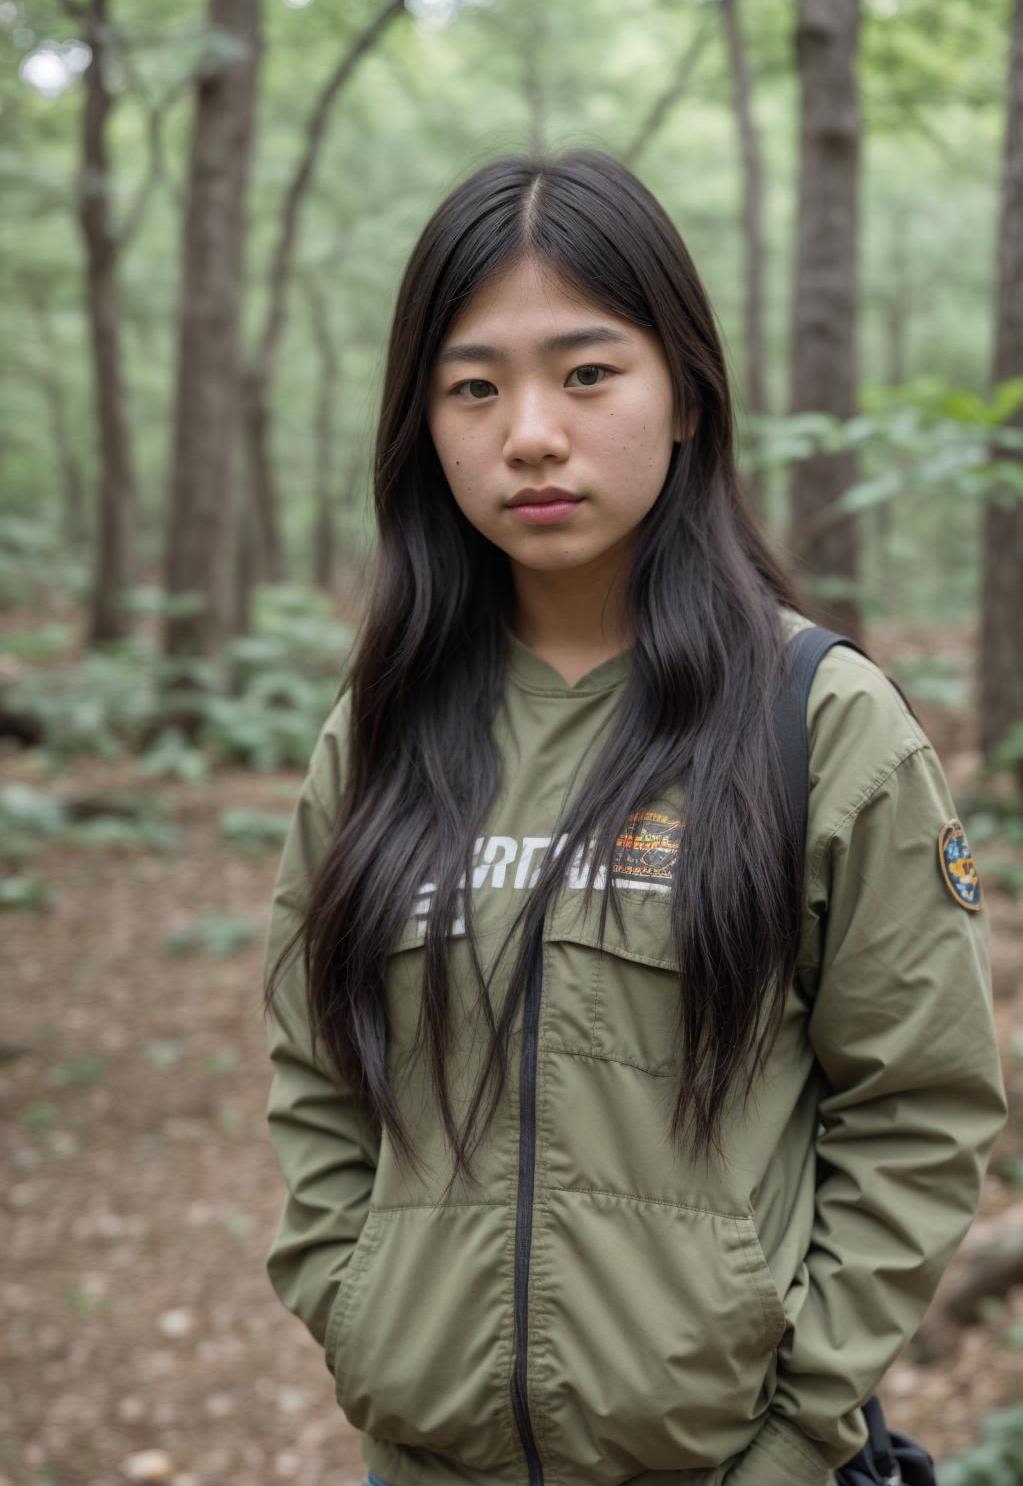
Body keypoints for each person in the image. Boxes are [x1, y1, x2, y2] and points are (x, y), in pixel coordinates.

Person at [260, 149, 1008, 1486]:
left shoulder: (820, 722)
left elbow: (919, 1107)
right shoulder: (378, 732)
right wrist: (358, 1312)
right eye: (472, 386)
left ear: (683, 399)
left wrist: (796, 1433)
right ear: (423, 426)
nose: (529, 432)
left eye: (587, 372)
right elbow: (321, 1074)